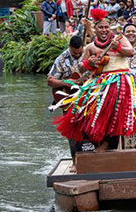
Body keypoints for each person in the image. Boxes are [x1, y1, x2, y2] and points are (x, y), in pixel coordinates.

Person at [52, 9, 136, 154]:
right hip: (99, 83)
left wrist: (116, 47)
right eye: (101, 27)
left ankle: (104, 147)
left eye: (106, 27)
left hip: (119, 81)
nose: (104, 30)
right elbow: (80, 66)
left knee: (112, 113)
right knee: (82, 113)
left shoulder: (119, 39)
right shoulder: (91, 47)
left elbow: (130, 52)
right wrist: (88, 63)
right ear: (95, 29)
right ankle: (90, 147)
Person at [47, 35, 86, 172]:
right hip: (68, 99)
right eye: (74, 53)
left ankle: (90, 159)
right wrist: (66, 82)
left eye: (79, 53)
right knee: (72, 132)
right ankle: (75, 161)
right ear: (69, 47)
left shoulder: (87, 54)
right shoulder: (61, 59)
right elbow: (50, 81)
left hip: (86, 98)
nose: (77, 55)